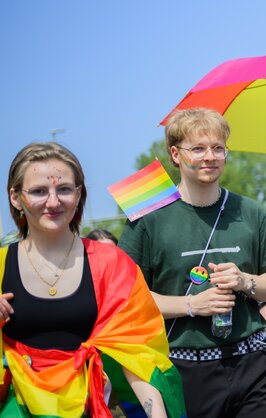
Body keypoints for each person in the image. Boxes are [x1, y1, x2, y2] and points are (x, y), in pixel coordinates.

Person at [119, 108, 266, 417]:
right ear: (175, 154)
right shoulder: (147, 220)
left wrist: (245, 281)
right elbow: (128, 301)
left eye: (217, 148)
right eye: (197, 148)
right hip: (186, 370)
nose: (209, 156)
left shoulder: (251, 212)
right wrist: (193, 305)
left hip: (253, 364)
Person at [2, 142, 185, 417]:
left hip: (90, 407)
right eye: (39, 191)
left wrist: (157, 412)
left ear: (78, 195)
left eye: (64, 189)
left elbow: (137, 353)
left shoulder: (111, 264)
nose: (53, 202)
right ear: (16, 197)